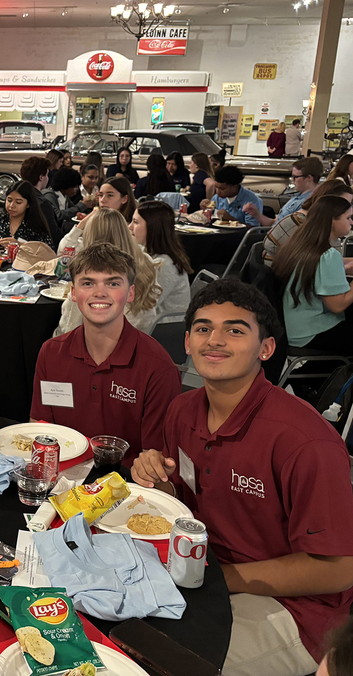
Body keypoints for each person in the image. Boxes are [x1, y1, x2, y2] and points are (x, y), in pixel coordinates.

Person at [131, 279, 353, 675]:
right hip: (206, 574)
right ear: (186, 342)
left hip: (297, 611)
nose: (214, 340)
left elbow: (338, 569)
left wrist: (220, 579)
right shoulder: (182, 410)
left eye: (235, 330)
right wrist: (156, 480)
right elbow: (184, 497)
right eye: (203, 328)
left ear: (265, 349)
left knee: (158, 660)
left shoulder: (305, 442)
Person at [32, 242, 180, 467]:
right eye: (88, 283)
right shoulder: (51, 352)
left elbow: (155, 458)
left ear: (130, 292)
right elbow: (40, 426)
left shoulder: (158, 368)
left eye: (113, 283)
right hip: (61, 475)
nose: (99, 293)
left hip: (125, 486)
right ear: (73, 292)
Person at [55, 209, 161, 335]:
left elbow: (69, 329)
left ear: (90, 236)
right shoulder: (146, 262)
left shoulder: (90, 273)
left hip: (100, 345)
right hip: (140, 339)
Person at [273, 196, 353, 349]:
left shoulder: (299, 244)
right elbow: (337, 306)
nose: (352, 222)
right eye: (348, 217)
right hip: (312, 332)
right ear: (331, 221)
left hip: (291, 327)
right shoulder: (328, 255)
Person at [263, 181, 353, 266]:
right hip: (280, 276)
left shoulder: (312, 221)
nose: (347, 208)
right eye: (343, 204)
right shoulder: (303, 225)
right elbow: (314, 268)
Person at [130, 201, 193, 319]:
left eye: (136, 222)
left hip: (162, 328)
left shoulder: (164, 265)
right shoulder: (145, 251)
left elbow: (144, 307)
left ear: (152, 227)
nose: (130, 226)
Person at [58, 176, 136, 254]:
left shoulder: (132, 227)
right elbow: (64, 251)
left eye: (110, 195)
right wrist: (82, 224)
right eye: (101, 195)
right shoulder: (94, 224)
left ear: (124, 199)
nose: (102, 200)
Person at [0, 180, 54, 250]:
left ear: (28, 204)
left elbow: (48, 251)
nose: (11, 206)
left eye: (18, 202)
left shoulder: (35, 224)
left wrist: (20, 245)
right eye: (9, 200)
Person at [244, 157, 324, 226]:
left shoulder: (309, 202)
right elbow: (275, 223)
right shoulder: (297, 197)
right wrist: (257, 214)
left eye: (295, 177)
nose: (292, 180)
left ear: (309, 178)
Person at [19, 156, 62, 242]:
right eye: (47, 174)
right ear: (41, 177)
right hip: (38, 249)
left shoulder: (14, 198)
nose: (48, 178)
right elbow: (53, 234)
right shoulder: (42, 203)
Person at [42, 166, 84, 233]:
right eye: (75, 186)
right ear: (66, 184)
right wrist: (81, 205)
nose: (77, 189)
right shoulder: (49, 195)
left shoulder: (65, 196)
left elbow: (73, 210)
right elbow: (57, 216)